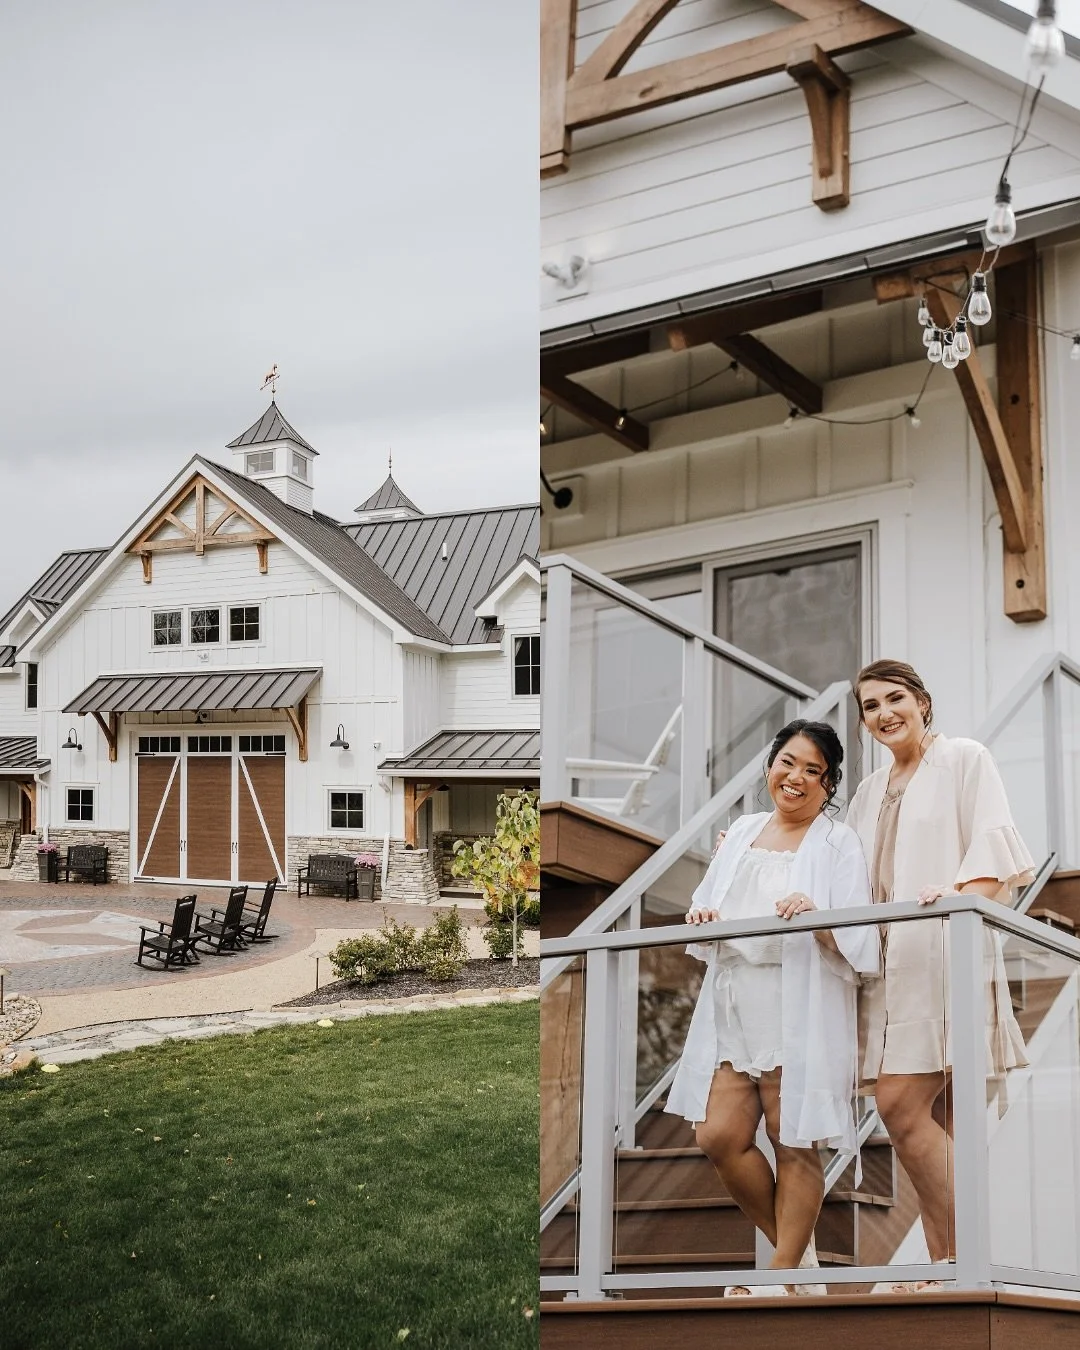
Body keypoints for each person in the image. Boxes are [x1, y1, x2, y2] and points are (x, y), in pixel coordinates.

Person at [667, 719, 879, 1296]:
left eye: (814, 771)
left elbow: (859, 936)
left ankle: (783, 1273)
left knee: (793, 1139)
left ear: (829, 785)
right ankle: (800, 1263)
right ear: (770, 766)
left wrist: (817, 916)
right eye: (789, 762)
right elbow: (706, 904)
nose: (797, 778)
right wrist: (703, 917)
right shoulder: (740, 832)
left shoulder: (838, 842)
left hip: (798, 1001)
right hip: (734, 1005)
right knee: (717, 1136)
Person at [846, 659, 1033, 1290]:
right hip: (887, 967)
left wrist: (956, 900)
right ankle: (946, 1271)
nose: (884, 713)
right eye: (870, 706)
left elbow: (992, 849)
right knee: (940, 1123)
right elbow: (849, 875)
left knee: (901, 1107)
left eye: (894, 698)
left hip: (946, 950)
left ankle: (960, 1261)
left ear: (923, 701)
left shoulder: (965, 759)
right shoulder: (868, 792)